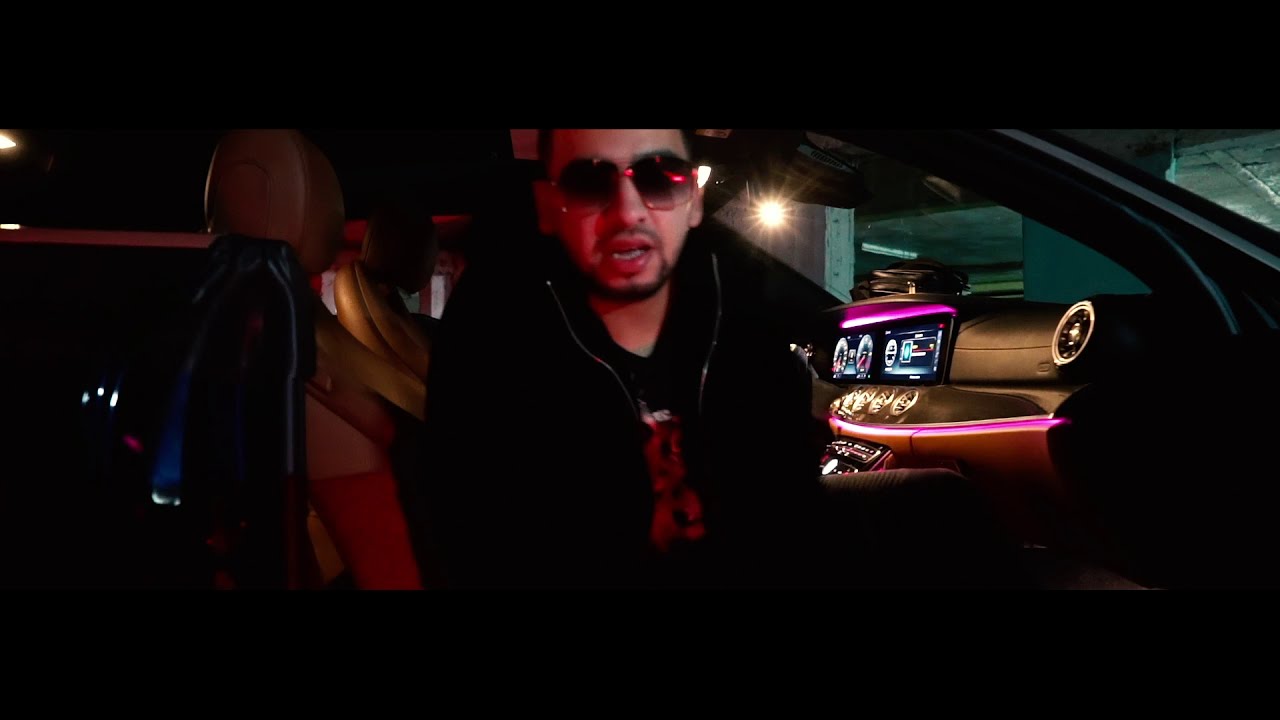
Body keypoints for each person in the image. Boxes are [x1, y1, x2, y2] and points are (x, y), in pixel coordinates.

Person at [411, 129, 828, 588]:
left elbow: (792, 521)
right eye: (590, 183)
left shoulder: (746, 319)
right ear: (549, 207)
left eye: (659, 178)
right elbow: (478, 547)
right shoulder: (494, 352)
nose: (628, 213)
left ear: (693, 200)